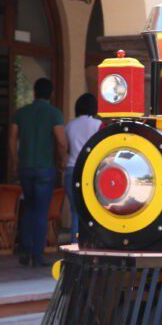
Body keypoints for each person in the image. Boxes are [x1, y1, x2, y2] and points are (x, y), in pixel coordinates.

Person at [9, 78, 67, 267]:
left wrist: (16, 161)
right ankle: (38, 254)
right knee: (42, 211)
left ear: (34, 92)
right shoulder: (54, 114)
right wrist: (63, 160)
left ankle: (25, 251)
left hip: (25, 167)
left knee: (29, 209)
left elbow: (12, 138)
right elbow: (60, 140)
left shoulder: (21, 113)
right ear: (50, 94)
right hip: (44, 168)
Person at [64, 93, 101, 241]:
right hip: (90, 171)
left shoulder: (69, 125)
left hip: (71, 170)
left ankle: (75, 245)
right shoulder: (97, 125)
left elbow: (65, 148)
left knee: (75, 212)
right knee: (93, 213)